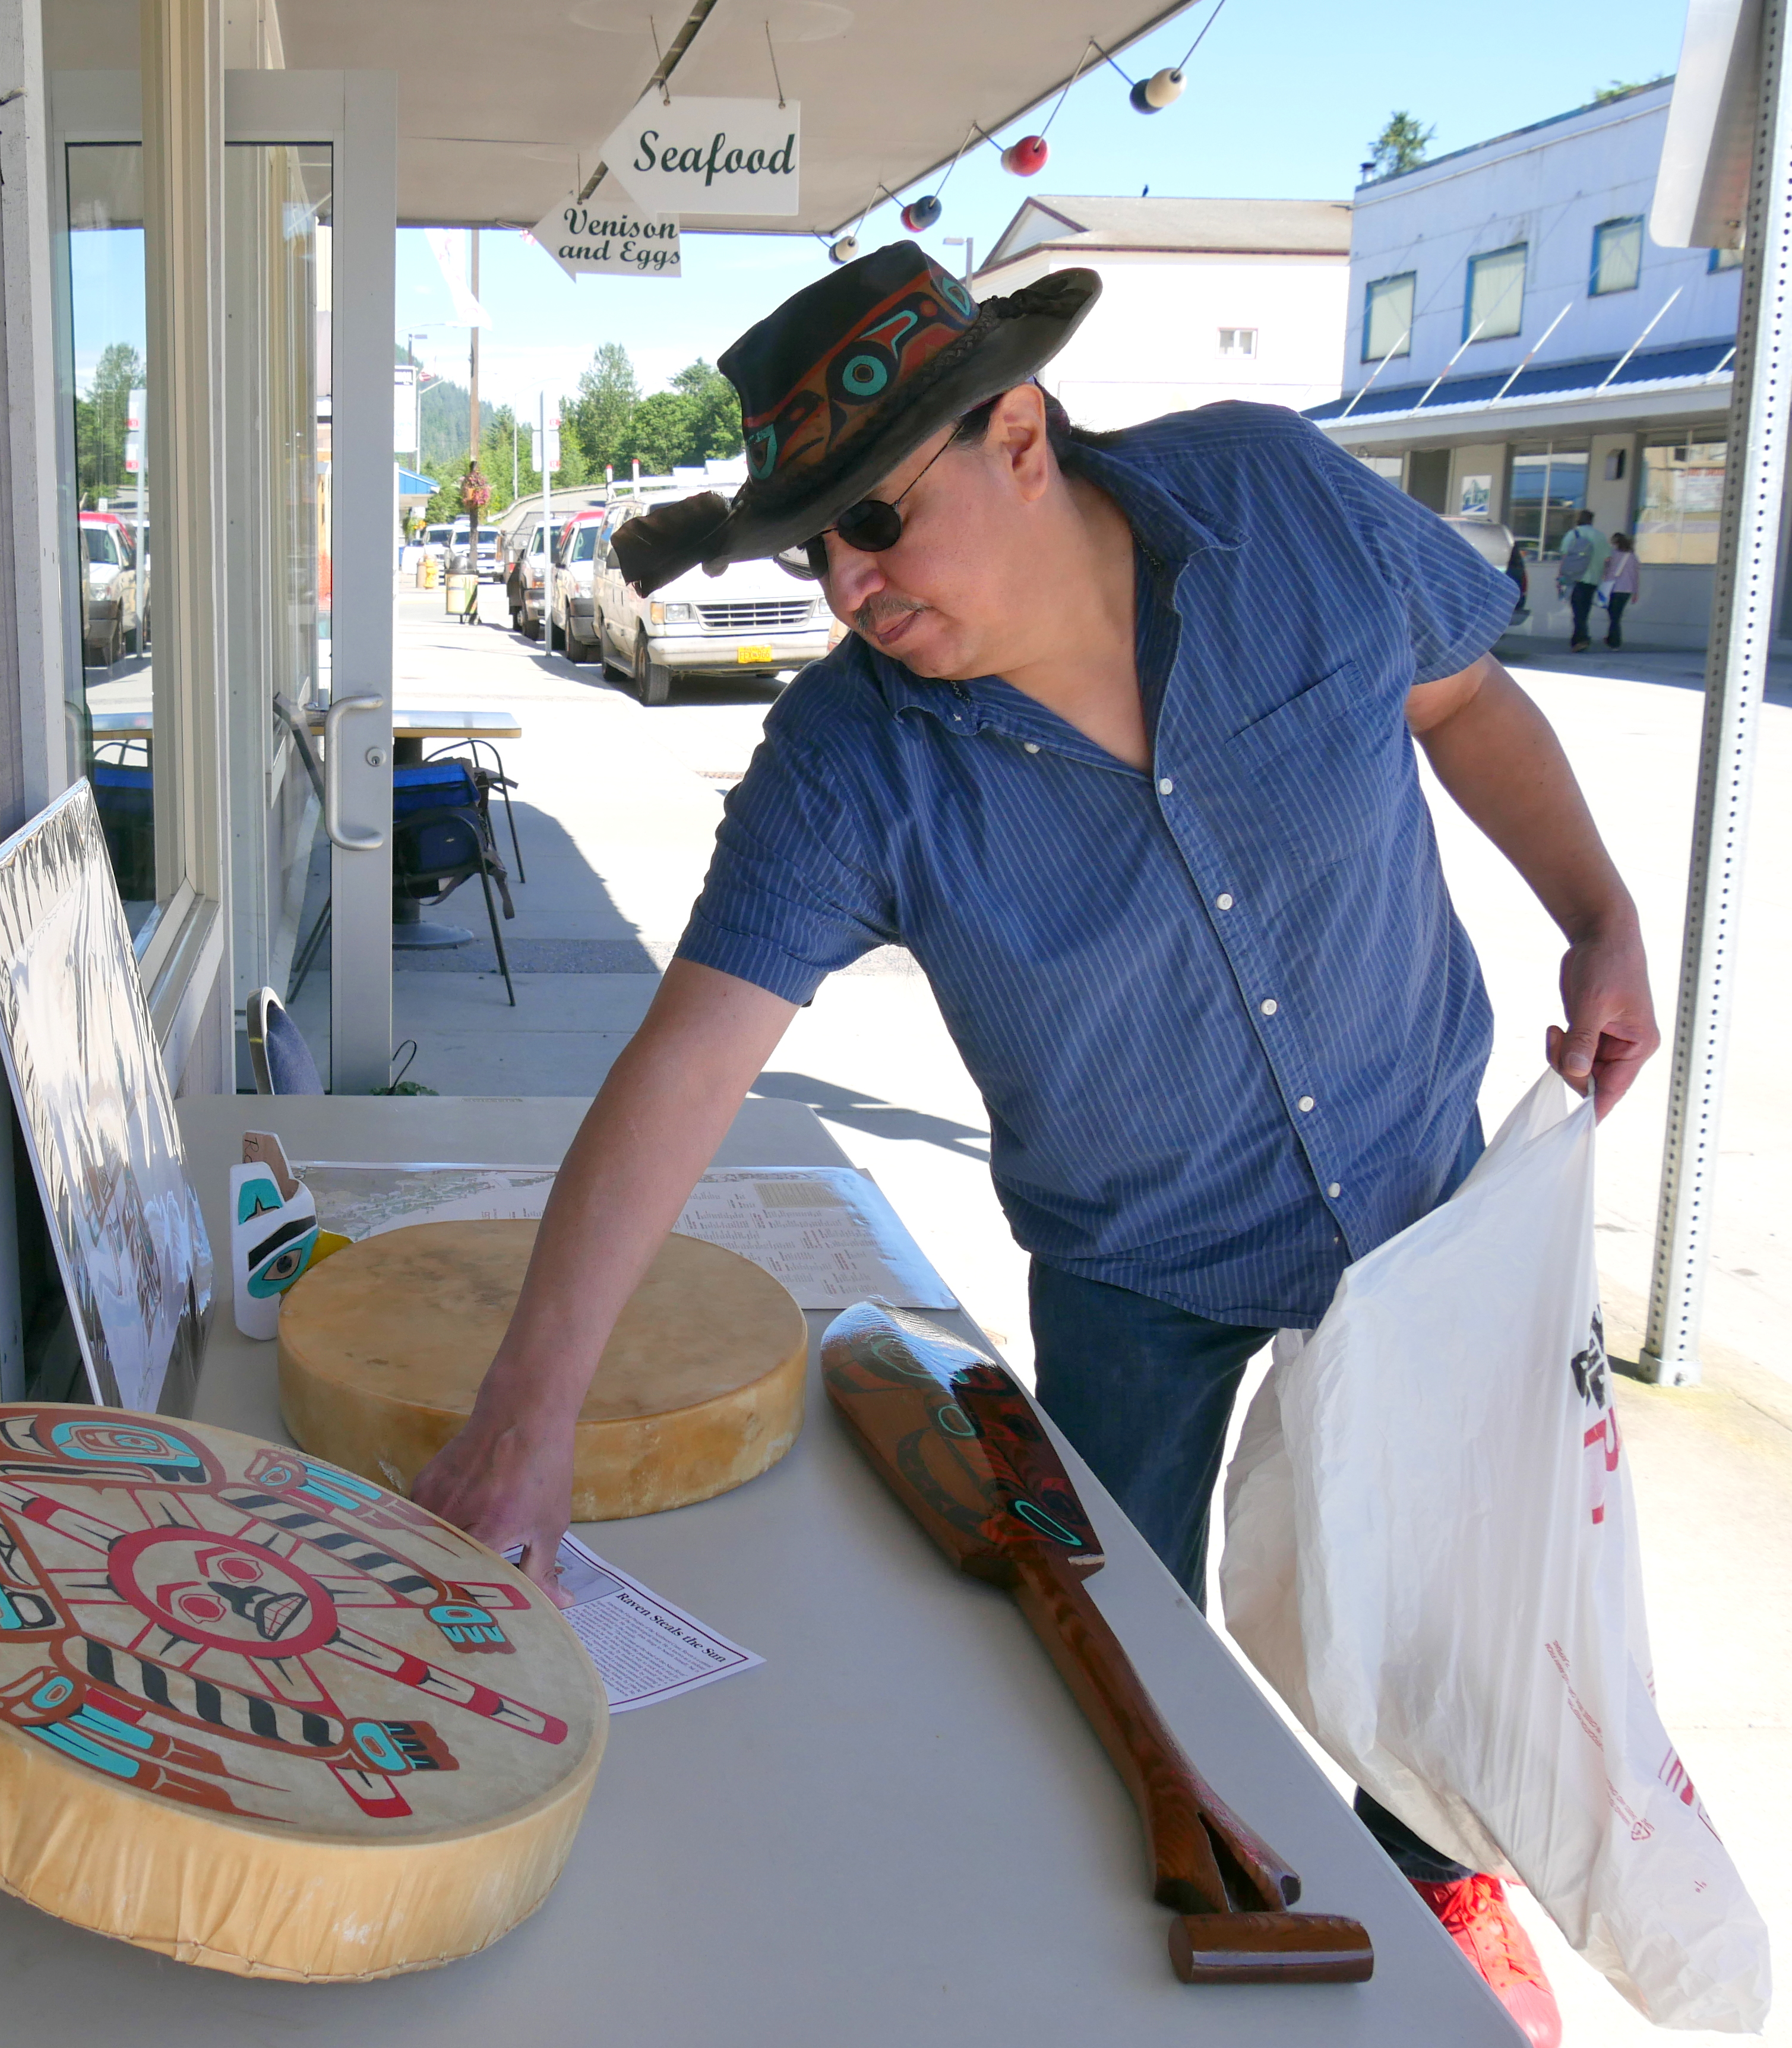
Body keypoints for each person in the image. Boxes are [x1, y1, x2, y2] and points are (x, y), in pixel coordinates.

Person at [412, 245, 1656, 2047]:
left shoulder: (1279, 505)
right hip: (1133, 1279)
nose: (846, 588)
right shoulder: (850, 759)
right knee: (1099, 1682)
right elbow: (684, 1071)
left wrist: (1597, 911)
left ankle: (1427, 1923)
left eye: (876, 523)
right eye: (811, 551)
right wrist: (519, 1438)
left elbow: (1459, 698)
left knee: (1452, 1645)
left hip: (1423, 1198)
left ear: (1017, 431)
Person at [1557, 508, 1602, 651]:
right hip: (1593, 580)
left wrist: (1560, 577)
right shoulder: (1600, 536)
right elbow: (1607, 560)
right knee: (1585, 610)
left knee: (1577, 611)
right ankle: (1582, 638)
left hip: (1575, 578)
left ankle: (1580, 640)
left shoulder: (1573, 535)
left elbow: (1565, 557)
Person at [1600, 531, 1641, 649]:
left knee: (1613, 615)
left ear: (1616, 543)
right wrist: (1636, 592)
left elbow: (1605, 570)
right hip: (1627, 589)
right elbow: (1635, 575)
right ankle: (1612, 639)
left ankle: (1615, 641)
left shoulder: (1612, 554)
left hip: (1613, 588)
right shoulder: (1632, 557)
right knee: (1616, 615)